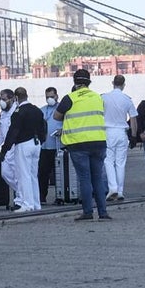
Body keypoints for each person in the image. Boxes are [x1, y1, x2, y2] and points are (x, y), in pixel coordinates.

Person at [53, 69, 109, 221]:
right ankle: (103, 213)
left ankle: (88, 212)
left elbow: (56, 116)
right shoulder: (98, 97)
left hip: (78, 144)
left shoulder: (70, 98)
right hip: (99, 142)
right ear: (89, 82)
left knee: (84, 178)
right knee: (97, 178)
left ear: (75, 82)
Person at [1, 87, 45, 212]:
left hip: (23, 145)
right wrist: (41, 141)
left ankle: (27, 204)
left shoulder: (18, 112)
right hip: (36, 145)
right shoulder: (37, 110)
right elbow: (43, 128)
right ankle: (36, 204)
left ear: (15, 98)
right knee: (33, 175)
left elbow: (13, 132)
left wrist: (5, 149)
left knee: (23, 175)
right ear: (27, 95)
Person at [101, 74, 139, 201]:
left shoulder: (104, 98)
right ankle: (120, 191)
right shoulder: (127, 100)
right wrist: (134, 136)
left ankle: (112, 188)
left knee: (108, 161)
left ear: (113, 83)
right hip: (122, 133)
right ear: (123, 85)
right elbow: (133, 119)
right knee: (120, 163)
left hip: (107, 132)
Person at [38, 87, 61, 204]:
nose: (49, 99)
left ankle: (60, 196)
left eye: (52, 96)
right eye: (47, 97)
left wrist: (62, 130)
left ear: (56, 96)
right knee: (42, 173)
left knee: (59, 173)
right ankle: (42, 197)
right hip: (44, 147)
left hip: (58, 147)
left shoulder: (62, 109)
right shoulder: (42, 110)